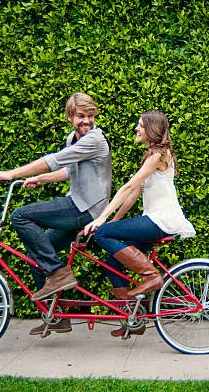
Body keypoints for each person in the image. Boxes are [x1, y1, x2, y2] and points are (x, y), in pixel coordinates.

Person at [0, 93, 112, 335]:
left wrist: (11, 173)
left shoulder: (95, 140)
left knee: (20, 216)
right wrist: (40, 178)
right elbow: (68, 170)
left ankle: (58, 273)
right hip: (76, 202)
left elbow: (53, 160)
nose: (86, 121)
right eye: (81, 116)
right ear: (70, 117)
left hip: (87, 208)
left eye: (90, 116)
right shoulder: (74, 139)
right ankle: (57, 316)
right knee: (40, 252)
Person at [84, 110, 195, 337]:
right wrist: (114, 220)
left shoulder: (159, 155)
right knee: (112, 264)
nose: (136, 128)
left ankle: (151, 276)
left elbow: (126, 187)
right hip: (154, 219)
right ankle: (131, 318)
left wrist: (101, 220)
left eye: (140, 125)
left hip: (161, 220)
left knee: (102, 235)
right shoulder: (153, 156)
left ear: (151, 130)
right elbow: (133, 192)